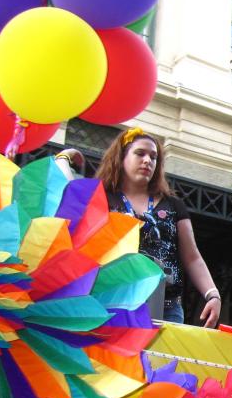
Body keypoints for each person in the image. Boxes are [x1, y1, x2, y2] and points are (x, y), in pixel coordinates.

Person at [95, 127, 221, 327]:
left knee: (160, 359)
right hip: (112, 302)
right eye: (140, 153)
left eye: (153, 157)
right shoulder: (100, 198)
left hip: (166, 307)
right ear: (121, 157)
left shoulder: (173, 205)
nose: (147, 160)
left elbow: (192, 256)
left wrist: (213, 294)